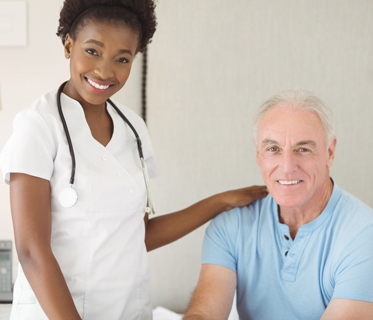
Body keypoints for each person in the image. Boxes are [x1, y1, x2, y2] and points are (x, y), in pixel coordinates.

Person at [0, 1, 267, 319]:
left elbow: (137, 236)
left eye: (122, 58)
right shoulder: (38, 126)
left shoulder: (133, 129)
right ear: (69, 44)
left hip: (128, 311)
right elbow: (31, 252)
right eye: (93, 51)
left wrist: (221, 202)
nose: (104, 71)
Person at [184, 89, 373, 320]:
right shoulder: (230, 226)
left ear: (330, 151)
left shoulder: (367, 237)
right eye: (273, 149)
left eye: (303, 149)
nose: (287, 167)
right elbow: (204, 314)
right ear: (258, 153)